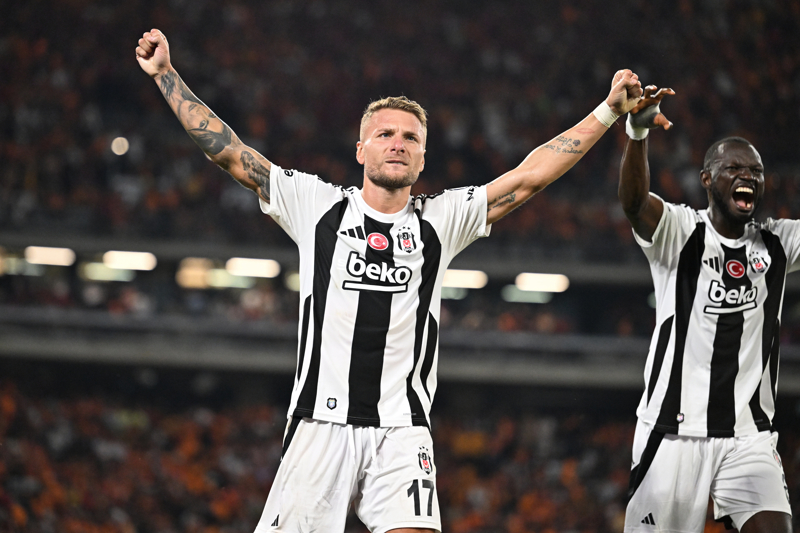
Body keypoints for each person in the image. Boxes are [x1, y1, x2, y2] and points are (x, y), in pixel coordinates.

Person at [136, 28, 643, 533]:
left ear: (423, 158)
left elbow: (529, 177)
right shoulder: (317, 206)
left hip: (402, 431)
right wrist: (165, 76)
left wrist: (607, 111)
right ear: (360, 150)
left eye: (411, 138)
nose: (398, 144)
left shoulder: (441, 220)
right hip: (321, 425)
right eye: (385, 135)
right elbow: (230, 153)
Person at [619, 87, 794, 532]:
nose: (747, 176)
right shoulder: (680, 232)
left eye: (756, 171)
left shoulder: (777, 243)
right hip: (673, 433)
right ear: (707, 179)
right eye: (733, 168)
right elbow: (635, 204)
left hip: (748, 436)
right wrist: (637, 132)